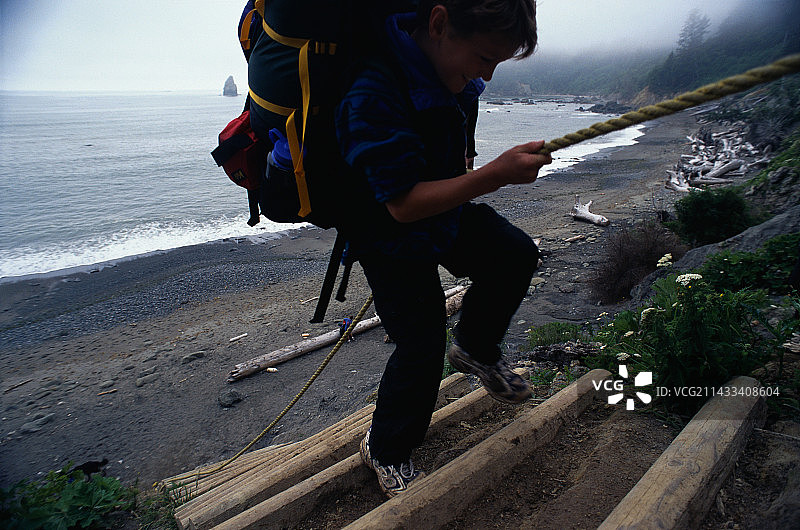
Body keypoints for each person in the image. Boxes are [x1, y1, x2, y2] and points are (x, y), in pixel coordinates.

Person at [335, 0, 550, 497]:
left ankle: (474, 348)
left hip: (442, 211)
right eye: (482, 59)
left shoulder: (448, 75)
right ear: (437, 24)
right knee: (420, 342)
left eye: (496, 64)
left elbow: (455, 156)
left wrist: (480, 171)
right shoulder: (371, 92)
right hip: (388, 232)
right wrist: (494, 176)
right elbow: (404, 206)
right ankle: (384, 450)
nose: (487, 77)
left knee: (514, 253)